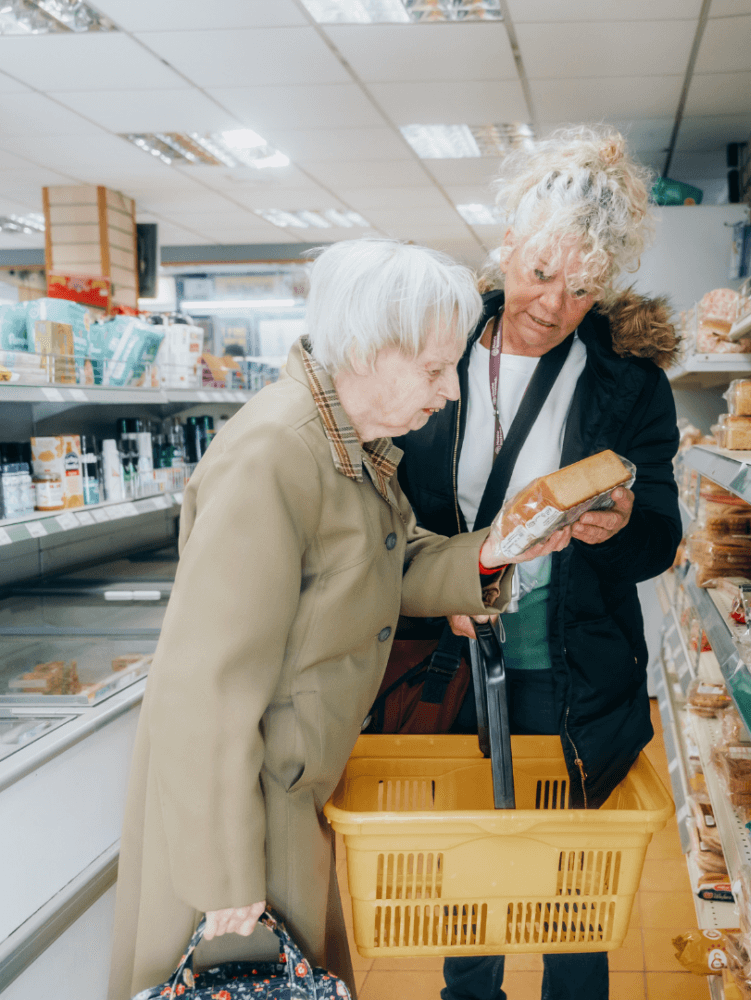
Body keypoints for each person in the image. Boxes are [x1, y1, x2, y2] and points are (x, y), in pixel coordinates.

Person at [107, 239, 571, 1000]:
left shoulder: (350, 444)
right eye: (432, 370)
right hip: (240, 808)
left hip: (292, 788)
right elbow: (205, 682)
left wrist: (491, 554)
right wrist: (225, 871)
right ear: (368, 347)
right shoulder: (275, 455)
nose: (448, 392)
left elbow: (387, 558)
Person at [394, 126, 683, 1000]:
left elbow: (661, 533)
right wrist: (439, 585)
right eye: (542, 273)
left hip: (572, 668)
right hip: (449, 664)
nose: (556, 305)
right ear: (507, 243)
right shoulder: (432, 348)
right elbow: (388, 510)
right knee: (468, 884)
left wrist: (626, 520)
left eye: (584, 286)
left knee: (571, 891)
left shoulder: (627, 382)